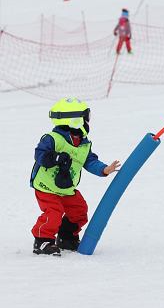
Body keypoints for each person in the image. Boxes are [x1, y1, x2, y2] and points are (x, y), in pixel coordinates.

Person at [30, 98, 121, 256]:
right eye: (86, 117)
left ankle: (66, 237)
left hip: (66, 188)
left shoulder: (83, 143)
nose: (88, 121)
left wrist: (104, 169)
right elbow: (40, 155)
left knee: (79, 210)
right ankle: (42, 240)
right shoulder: (52, 138)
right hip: (47, 188)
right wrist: (55, 158)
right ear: (75, 120)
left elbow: (89, 161)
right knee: (54, 212)